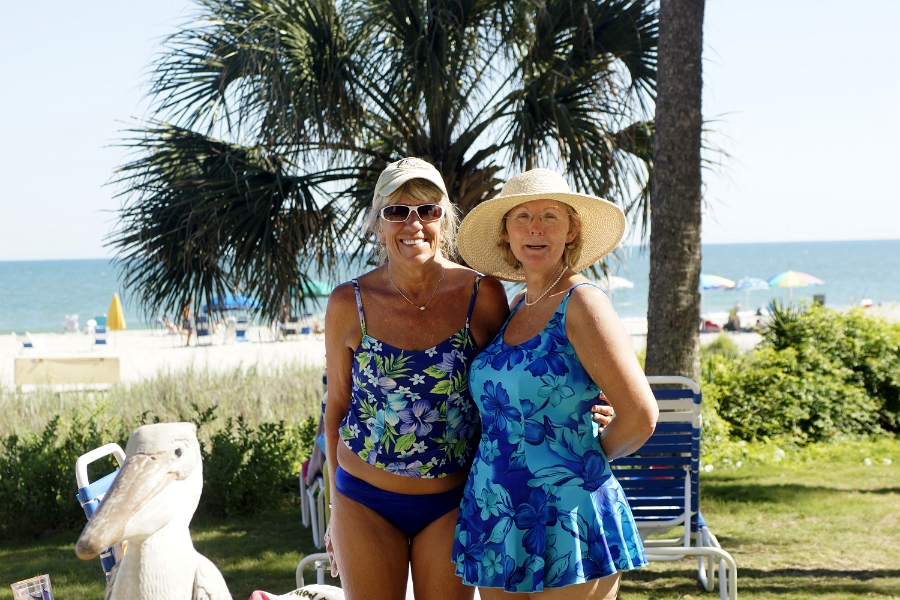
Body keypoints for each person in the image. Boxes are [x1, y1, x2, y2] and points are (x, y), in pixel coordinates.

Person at [323, 159, 615, 600]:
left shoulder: (483, 294)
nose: (413, 224)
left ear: (444, 221)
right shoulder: (349, 302)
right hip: (363, 500)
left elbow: (514, 370)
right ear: (378, 226)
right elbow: (337, 408)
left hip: (453, 502)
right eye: (396, 211)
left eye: (428, 210)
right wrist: (333, 505)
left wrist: (585, 401)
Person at [452, 168, 659, 598]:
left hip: (568, 512)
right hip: (497, 513)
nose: (536, 228)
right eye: (522, 217)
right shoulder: (517, 306)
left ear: (571, 229)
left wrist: (581, 456)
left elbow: (640, 416)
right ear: (506, 233)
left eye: (550, 216)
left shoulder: (583, 302)